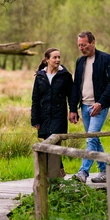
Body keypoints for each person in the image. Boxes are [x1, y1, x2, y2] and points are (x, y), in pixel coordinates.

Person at [69, 31, 110, 183]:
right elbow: (76, 85)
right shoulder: (79, 62)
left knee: (91, 137)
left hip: (99, 106)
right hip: (84, 106)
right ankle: (105, 171)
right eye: (79, 46)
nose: (81, 48)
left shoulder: (106, 59)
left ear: (92, 42)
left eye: (84, 45)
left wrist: (101, 103)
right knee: (93, 138)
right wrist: (72, 108)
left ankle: (83, 172)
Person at [31, 47, 74, 177]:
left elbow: (71, 95)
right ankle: (57, 172)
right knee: (47, 145)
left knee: (54, 143)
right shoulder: (40, 76)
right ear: (47, 60)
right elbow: (35, 99)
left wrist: (73, 110)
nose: (58, 60)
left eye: (59, 57)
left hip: (59, 116)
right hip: (43, 117)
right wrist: (35, 120)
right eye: (54, 57)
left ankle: (54, 176)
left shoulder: (65, 76)